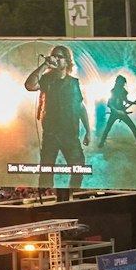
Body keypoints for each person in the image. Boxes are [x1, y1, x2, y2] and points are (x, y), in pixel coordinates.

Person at [23, 43, 88, 180]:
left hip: (70, 134)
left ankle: (73, 195)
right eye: (54, 56)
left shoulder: (73, 82)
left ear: (67, 60)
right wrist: (45, 65)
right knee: (46, 173)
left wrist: (88, 131)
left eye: (60, 57)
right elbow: (29, 85)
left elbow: (81, 107)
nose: (56, 59)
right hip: (51, 134)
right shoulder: (46, 80)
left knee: (78, 169)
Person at [98, 75, 136, 150]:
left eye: (123, 83)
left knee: (133, 127)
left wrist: (133, 102)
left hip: (122, 112)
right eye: (121, 83)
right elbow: (109, 104)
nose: (123, 85)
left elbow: (126, 101)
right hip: (114, 113)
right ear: (118, 83)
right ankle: (101, 142)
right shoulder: (113, 91)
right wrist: (117, 111)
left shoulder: (124, 91)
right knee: (108, 128)